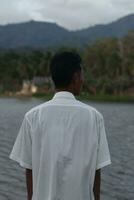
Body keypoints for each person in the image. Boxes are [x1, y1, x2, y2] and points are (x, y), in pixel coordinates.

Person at [9, 51, 111, 200]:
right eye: (82, 75)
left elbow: (29, 169)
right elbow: (97, 171)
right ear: (76, 77)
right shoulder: (94, 117)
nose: (83, 80)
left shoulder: (33, 116)